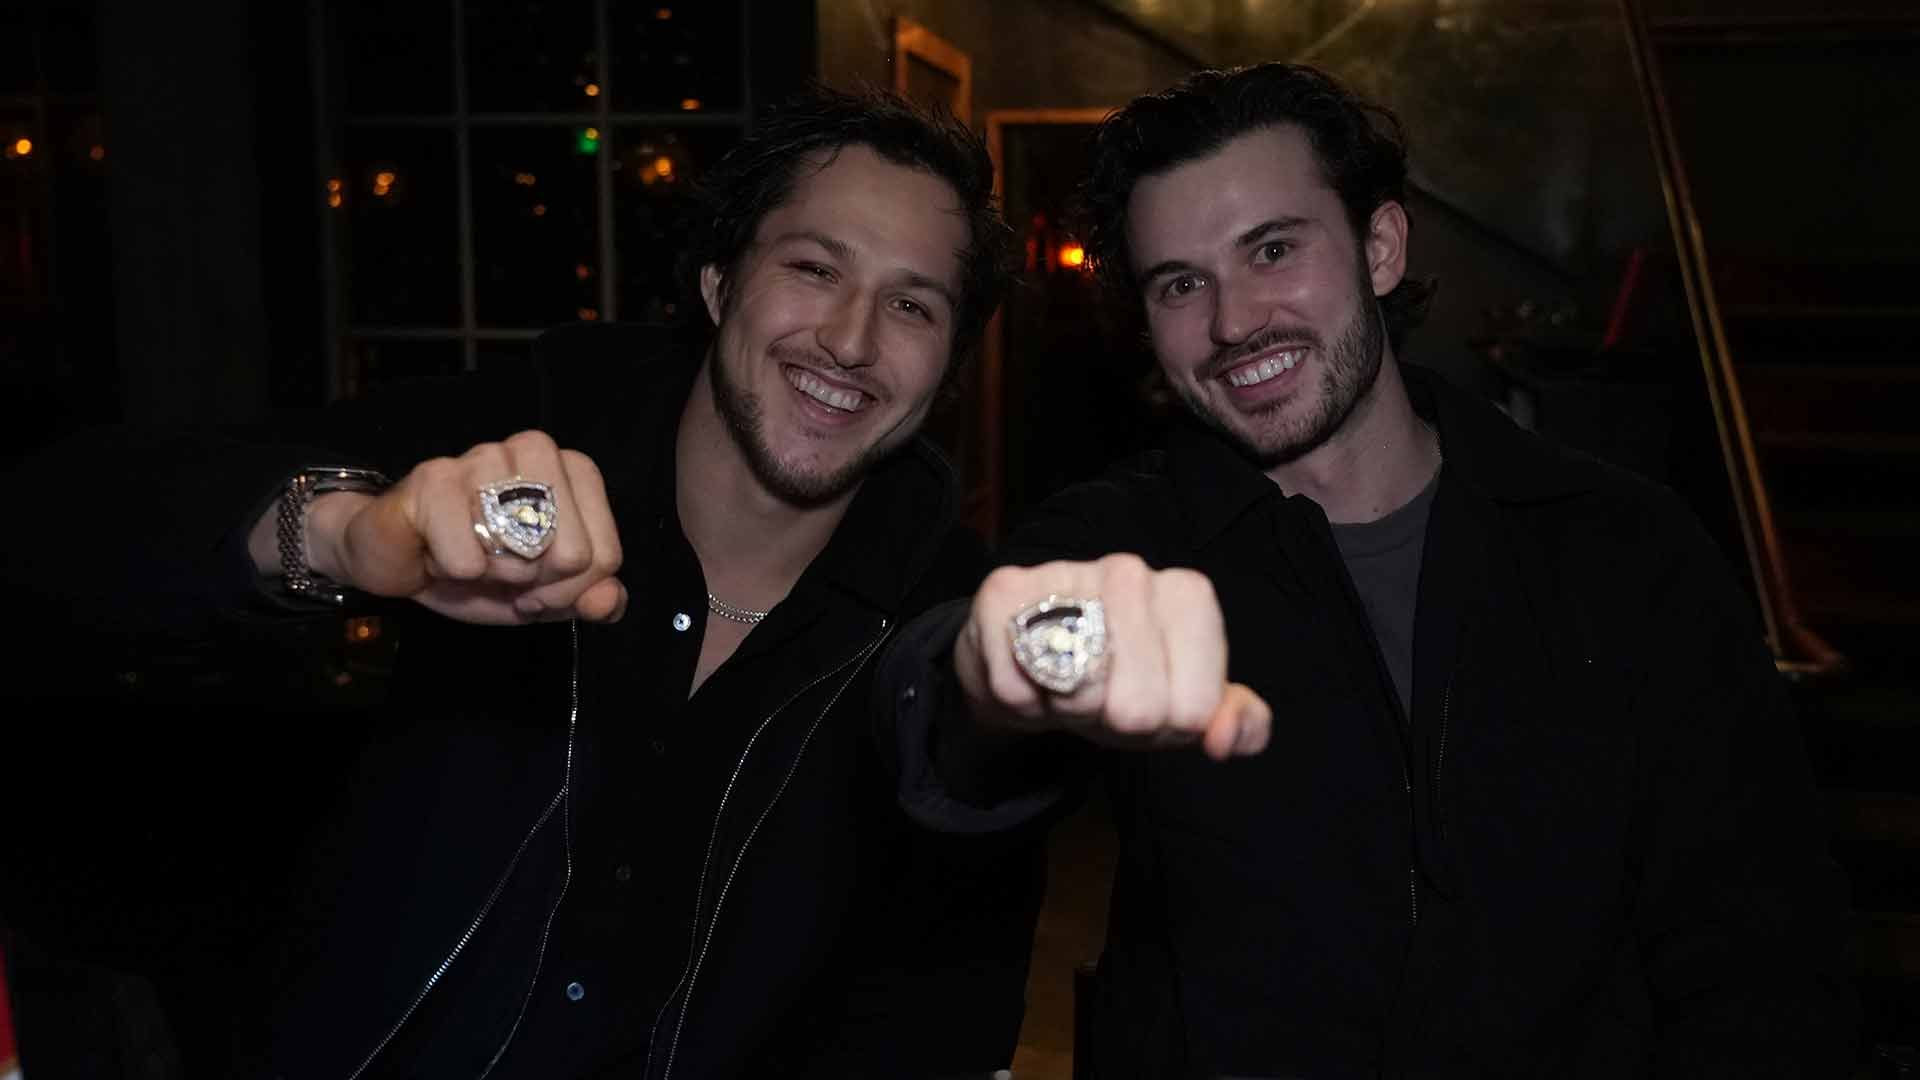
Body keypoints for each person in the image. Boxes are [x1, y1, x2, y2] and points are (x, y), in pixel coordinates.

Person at [2, 86, 1042, 1078]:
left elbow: (947, 1014)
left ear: (948, 366)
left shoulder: (953, 629)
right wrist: (341, 535)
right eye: (814, 267)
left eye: (912, 305)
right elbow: (60, 525)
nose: (851, 340)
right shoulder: (520, 445)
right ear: (719, 282)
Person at [881, 63, 1855, 1078]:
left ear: (1380, 247)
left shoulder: (1624, 547)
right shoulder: (1124, 541)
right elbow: (943, 728)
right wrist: (994, 672)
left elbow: (1763, 954)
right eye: (1180, 283)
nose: (1233, 321)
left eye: (1272, 249)